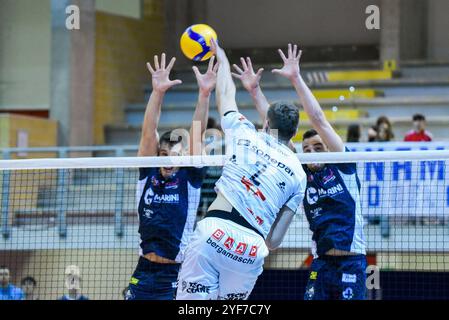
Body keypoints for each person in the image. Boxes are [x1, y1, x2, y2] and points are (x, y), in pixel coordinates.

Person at [176, 39, 307, 300]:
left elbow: (225, 95)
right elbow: (275, 240)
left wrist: (222, 57)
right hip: (251, 247)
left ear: (266, 122)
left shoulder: (245, 133)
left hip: (214, 231)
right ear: (294, 133)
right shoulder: (299, 173)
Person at [270, 44, 367, 300]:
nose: (312, 152)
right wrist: (254, 90)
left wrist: (295, 78)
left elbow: (319, 120)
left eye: (318, 147)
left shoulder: (343, 165)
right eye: (306, 148)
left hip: (352, 263)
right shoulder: (303, 172)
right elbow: (275, 133)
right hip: (321, 264)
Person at [125, 54, 216, 300]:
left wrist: (204, 94)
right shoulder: (148, 173)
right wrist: (157, 92)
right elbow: (148, 133)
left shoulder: (190, 177)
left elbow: (197, 132)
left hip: (175, 274)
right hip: (143, 270)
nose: (167, 159)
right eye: (163, 154)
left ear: (184, 156)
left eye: (174, 155)